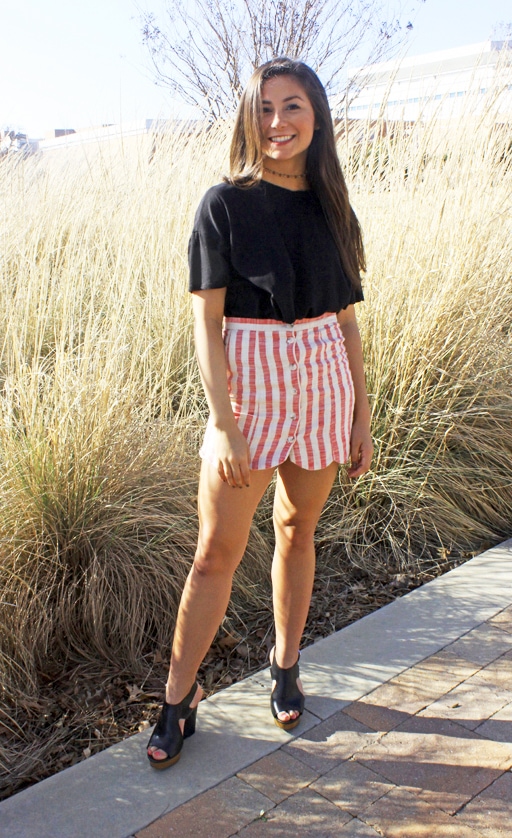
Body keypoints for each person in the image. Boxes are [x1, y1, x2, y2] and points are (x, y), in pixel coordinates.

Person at [147, 57, 373, 770]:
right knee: (216, 553)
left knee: (297, 528)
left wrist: (361, 416)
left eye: (293, 106)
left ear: (317, 115)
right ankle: (177, 701)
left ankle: (285, 665)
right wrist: (222, 421)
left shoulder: (333, 204)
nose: (278, 122)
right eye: (265, 108)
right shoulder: (223, 203)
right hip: (253, 388)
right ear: (249, 118)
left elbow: (345, 322)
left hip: (325, 382)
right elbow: (206, 325)